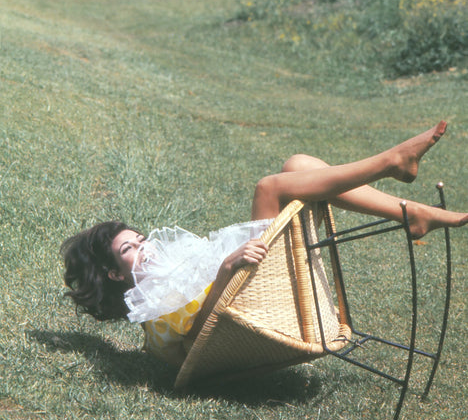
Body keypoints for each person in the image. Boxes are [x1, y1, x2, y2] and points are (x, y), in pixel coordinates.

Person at [61, 121, 467, 368]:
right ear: (115, 273)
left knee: (299, 165)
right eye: (130, 249)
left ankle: (411, 213)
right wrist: (224, 272)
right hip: (251, 298)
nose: (145, 247)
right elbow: (197, 340)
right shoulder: (152, 309)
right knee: (269, 186)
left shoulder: (171, 267)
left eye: (140, 238)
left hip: (254, 278)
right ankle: (392, 166)